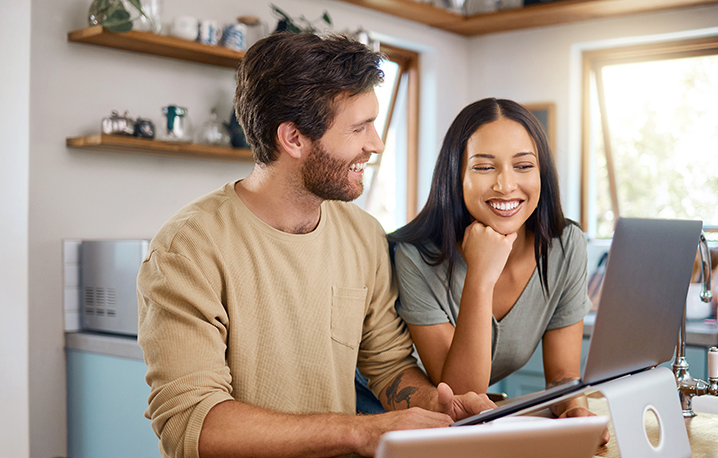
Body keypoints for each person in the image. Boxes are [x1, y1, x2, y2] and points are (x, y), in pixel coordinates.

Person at [136, 33, 494, 458]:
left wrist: (440, 405)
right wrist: (362, 432)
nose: (375, 143)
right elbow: (191, 426)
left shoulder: (363, 234)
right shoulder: (187, 249)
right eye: (359, 128)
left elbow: (389, 367)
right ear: (293, 139)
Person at [389, 98, 607, 436]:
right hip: (399, 423)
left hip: (467, 430)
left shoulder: (565, 245)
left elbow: (563, 374)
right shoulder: (414, 256)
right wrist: (479, 278)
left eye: (523, 166)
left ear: (542, 174)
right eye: (484, 166)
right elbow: (461, 398)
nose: (506, 185)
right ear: (456, 175)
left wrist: (575, 409)